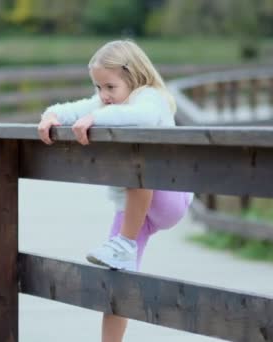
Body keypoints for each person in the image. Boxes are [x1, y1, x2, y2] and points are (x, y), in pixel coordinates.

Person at [37, 39, 193, 342]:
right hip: (134, 212)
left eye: (110, 87)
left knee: (139, 160)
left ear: (133, 77)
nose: (103, 96)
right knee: (115, 281)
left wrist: (95, 118)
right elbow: (62, 109)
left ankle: (124, 242)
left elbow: (142, 117)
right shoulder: (105, 102)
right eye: (98, 88)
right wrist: (50, 118)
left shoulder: (151, 97)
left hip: (168, 196)